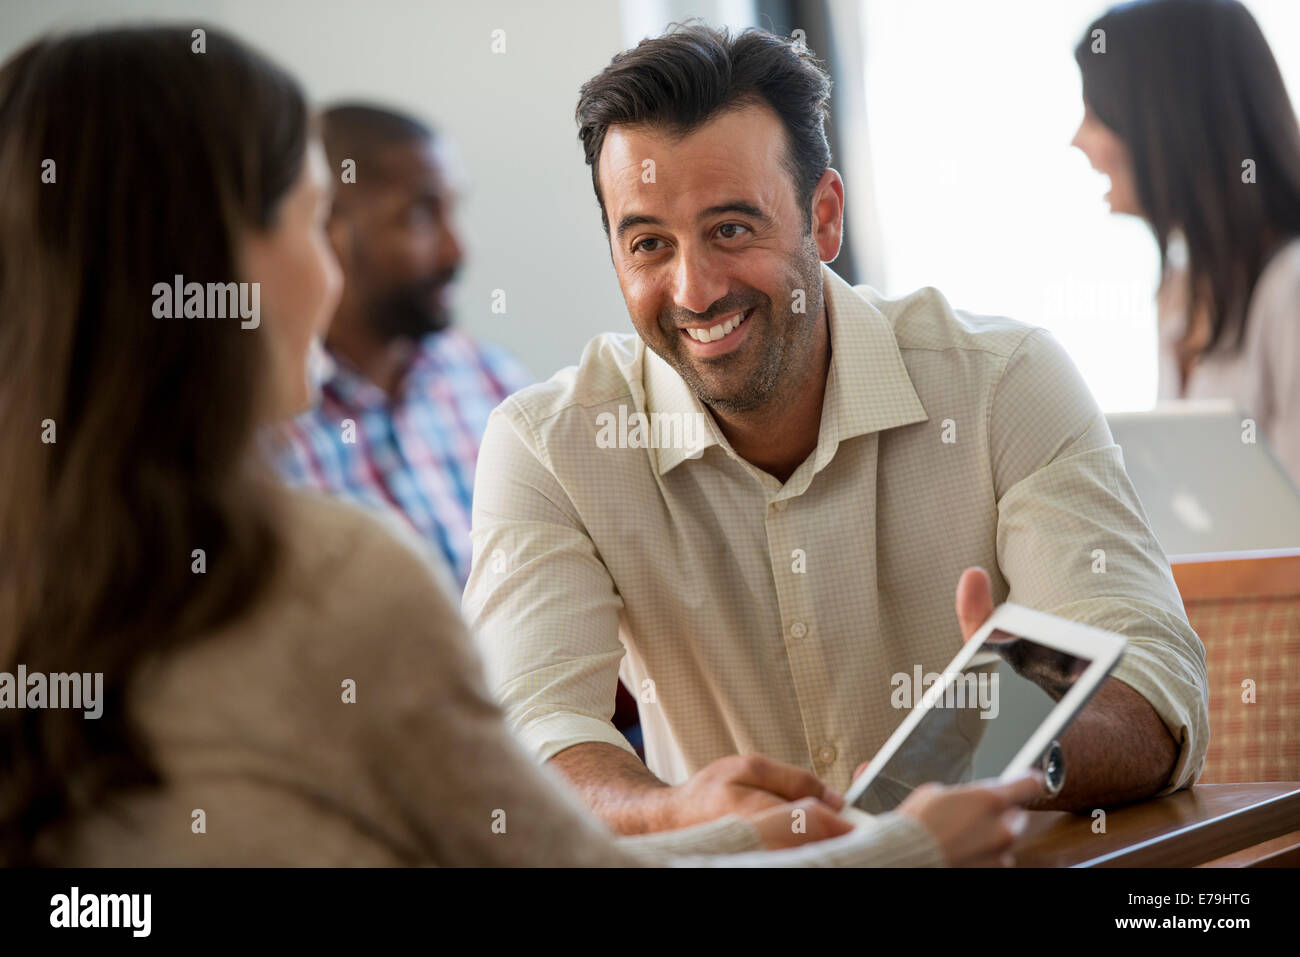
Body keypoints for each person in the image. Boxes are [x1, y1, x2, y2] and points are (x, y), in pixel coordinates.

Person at [0, 23, 1042, 868]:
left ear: (823, 218)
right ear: (215, 267)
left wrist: (737, 829)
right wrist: (908, 847)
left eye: (732, 228)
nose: (327, 280)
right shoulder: (321, 576)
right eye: (314, 225)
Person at [462, 23, 1210, 835]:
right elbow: (526, 738)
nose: (695, 289)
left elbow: (1157, 689)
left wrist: (1013, 739)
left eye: (731, 229)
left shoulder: (1005, 382)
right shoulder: (549, 446)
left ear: (823, 218)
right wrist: (674, 810)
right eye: (648, 244)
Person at [268, 104, 534, 589]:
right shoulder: (266, 439)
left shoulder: (498, 386)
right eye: (419, 215)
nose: (458, 249)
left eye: (455, 209)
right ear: (325, 230)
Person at [1071, 0, 1300, 485]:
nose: (1078, 140)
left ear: (1167, 126)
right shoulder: (1181, 290)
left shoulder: (1290, 288)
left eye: (1096, 115)